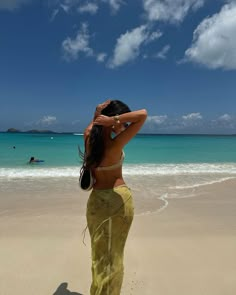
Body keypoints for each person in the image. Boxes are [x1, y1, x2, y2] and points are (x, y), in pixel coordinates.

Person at [82, 99, 147, 295]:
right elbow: (143, 114)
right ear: (110, 119)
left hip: (95, 202)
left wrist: (98, 116)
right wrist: (115, 120)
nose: (124, 126)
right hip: (116, 202)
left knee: (100, 255)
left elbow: (92, 129)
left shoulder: (88, 139)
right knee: (114, 256)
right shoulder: (114, 144)